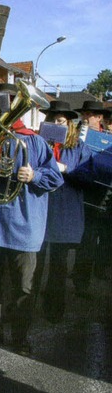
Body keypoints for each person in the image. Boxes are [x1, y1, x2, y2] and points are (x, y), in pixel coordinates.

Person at [0, 82, 64, 356]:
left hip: (26, 228)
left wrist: (34, 175)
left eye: (12, 102)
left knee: (23, 288)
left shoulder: (35, 141)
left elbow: (55, 177)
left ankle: (19, 336)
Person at [33, 100, 94, 322]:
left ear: (69, 124)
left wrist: (66, 169)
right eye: (51, 120)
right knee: (35, 264)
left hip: (64, 211)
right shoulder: (39, 143)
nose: (56, 125)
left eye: (60, 121)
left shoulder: (79, 148)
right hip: (40, 209)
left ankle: (54, 310)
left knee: (58, 265)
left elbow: (89, 178)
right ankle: (27, 310)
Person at [72, 100, 112, 293]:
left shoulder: (108, 139)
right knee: (80, 240)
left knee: (92, 241)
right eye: (84, 114)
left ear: (99, 118)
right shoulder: (76, 135)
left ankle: (83, 282)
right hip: (76, 192)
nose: (85, 118)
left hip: (100, 196)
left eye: (90, 115)